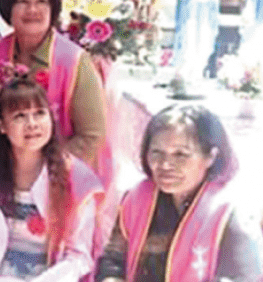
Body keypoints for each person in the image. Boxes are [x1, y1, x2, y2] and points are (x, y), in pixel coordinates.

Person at [96, 105, 263, 282]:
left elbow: (243, 277)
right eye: (156, 153)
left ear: (211, 157)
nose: (165, 165)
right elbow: (113, 258)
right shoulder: (137, 198)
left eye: (181, 154)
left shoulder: (230, 211)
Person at [0, 78, 104, 281]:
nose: (32, 124)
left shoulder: (77, 179)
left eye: (40, 113)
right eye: (20, 116)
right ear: (1, 125)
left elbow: (79, 256)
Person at [0, 0, 106, 171]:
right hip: (2, 171)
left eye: (41, 2)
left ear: (53, 9)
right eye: (23, 2)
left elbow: (92, 135)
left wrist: (43, 170)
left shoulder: (75, 61)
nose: (32, 10)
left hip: (58, 174)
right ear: (7, 8)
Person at [171, 0, 219, 84]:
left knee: (202, 47)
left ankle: (197, 74)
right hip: (189, 20)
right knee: (188, 46)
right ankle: (183, 77)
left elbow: (214, 2)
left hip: (203, 21)